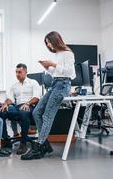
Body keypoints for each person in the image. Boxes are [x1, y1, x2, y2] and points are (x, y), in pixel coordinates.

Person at [21, 31, 76, 160]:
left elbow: (69, 72)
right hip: (55, 83)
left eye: (49, 42)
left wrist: (52, 64)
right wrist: (46, 67)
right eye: (47, 44)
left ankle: (39, 146)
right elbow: (56, 73)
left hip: (63, 85)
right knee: (36, 112)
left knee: (47, 115)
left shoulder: (68, 53)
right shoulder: (58, 54)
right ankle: (44, 143)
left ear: (55, 40)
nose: (49, 45)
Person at [0, 63, 41, 155]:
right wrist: (5, 104)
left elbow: (36, 97)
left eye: (19, 72)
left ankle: (23, 143)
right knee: (1, 112)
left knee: (23, 112)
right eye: (16, 72)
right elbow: (10, 98)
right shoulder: (14, 86)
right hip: (17, 107)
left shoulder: (33, 82)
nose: (17, 74)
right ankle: (6, 139)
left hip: (30, 106)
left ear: (25, 72)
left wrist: (28, 103)